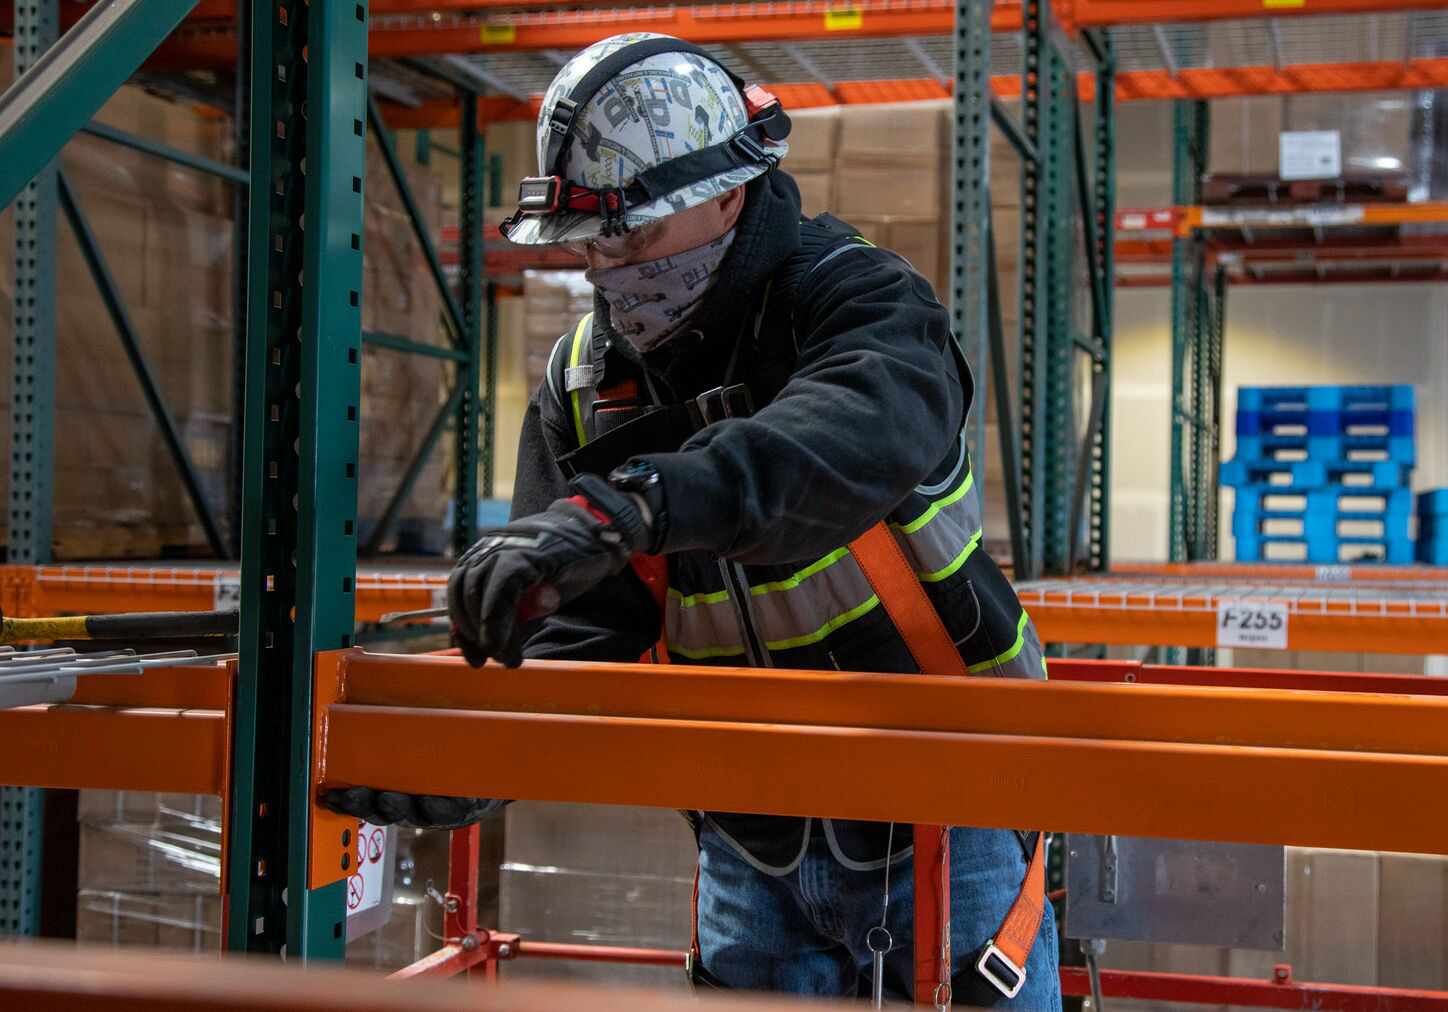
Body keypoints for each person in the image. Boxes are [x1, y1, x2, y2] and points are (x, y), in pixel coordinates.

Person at [328, 32, 1061, 1007]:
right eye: (593, 244)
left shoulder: (859, 305)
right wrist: (486, 756)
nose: (608, 268)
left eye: (631, 235)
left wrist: (634, 504)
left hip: (947, 816)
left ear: (728, 192)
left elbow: (828, 448)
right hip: (745, 840)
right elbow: (583, 631)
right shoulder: (588, 381)